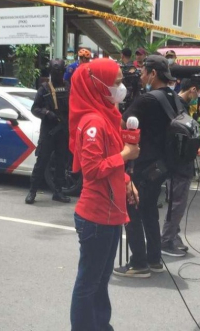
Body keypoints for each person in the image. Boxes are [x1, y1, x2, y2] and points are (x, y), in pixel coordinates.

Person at [68, 58, 139, 331]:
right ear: (98, 85)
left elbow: (110, 166)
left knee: (100, 279)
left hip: (109, 214)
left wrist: (127, 181)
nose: (121, 88)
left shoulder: (107, 115)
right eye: (117, 82)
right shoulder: (93, 122)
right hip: (96, 216)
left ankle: (100, 325)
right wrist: (125, 155)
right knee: (89, 282)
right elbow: (93, 169)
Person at [114, 54, 178, 278]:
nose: (140, 76)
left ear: (153, 73)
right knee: (149, 210)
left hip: (144, 165)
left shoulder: (147, 99)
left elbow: (123, 122)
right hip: (163, 165)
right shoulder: (173, 97)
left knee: (131, 208)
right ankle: (154, 258)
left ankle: (139, 262)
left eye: (142, 72)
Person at [160, 78, 199, 257]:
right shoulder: (176, 106)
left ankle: (173, 235)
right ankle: (166, 240)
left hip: (181, 162)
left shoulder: (179, 105)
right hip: (178, 164)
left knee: (177, 203)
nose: (197, 97)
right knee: (176, 204)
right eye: (197, 93)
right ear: (192, 90)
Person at [26, 59, 72, 205]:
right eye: (55, 72)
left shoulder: (68, 87)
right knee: (42, 161)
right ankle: (32, 191)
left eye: (60, 72)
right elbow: (34, 109)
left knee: (61, 162)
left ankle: (58, 191)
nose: (58, 75)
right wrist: (46, 113)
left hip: (63, 131)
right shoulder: (44, 88)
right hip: (49, 131)